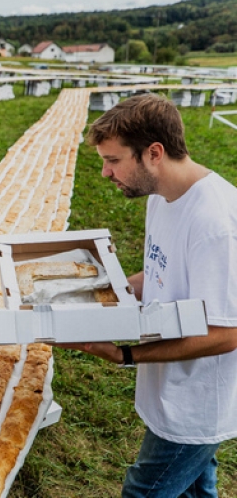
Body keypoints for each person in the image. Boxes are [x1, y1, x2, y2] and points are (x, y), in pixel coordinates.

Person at [61, 94, 237, 497]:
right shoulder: (161, 197)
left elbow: (227, 333)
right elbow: (162, 273)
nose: (105, 172)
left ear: (154, 153)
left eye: (113, 160)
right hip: (172, 391)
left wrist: (125, 355)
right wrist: (96, 290)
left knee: (143, 491)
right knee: (195, 491)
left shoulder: (215, 223)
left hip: (196, 404)